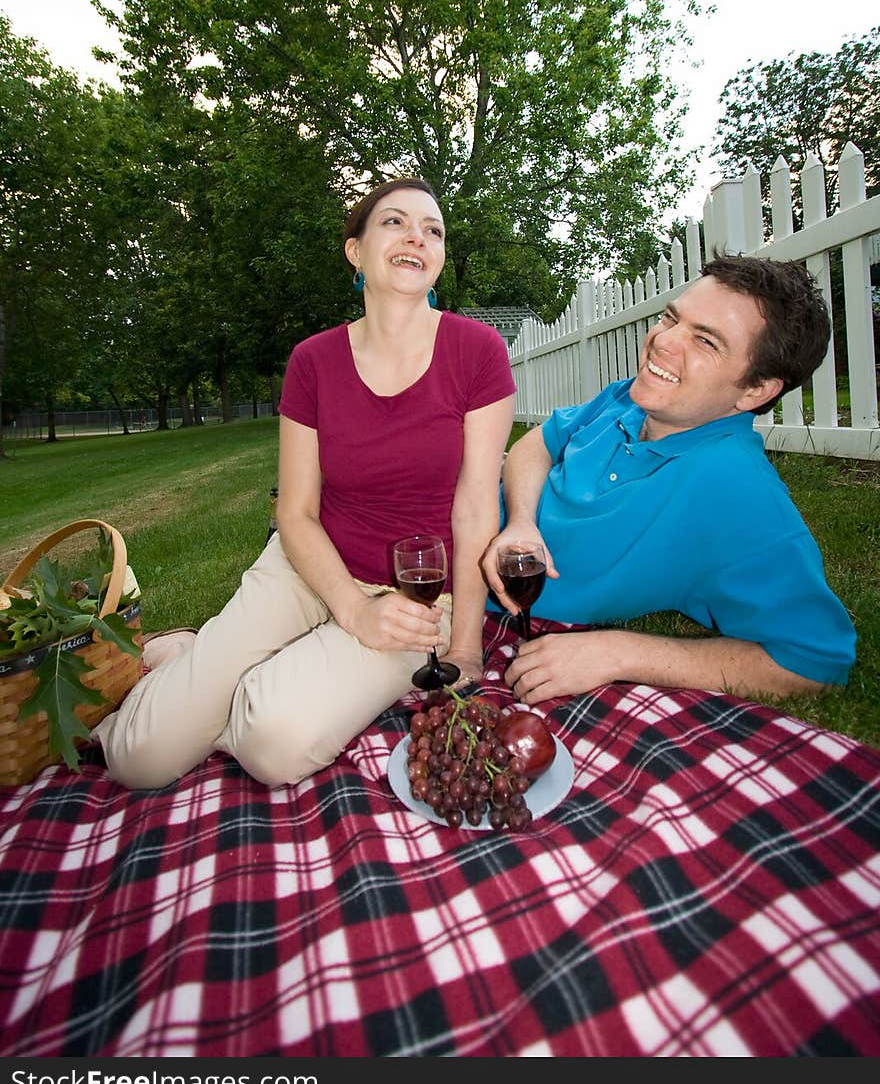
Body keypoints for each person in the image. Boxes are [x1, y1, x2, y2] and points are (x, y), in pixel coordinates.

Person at [95, 177, 516, 788]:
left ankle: (210, 675)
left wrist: (466, 647)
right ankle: (197, 661)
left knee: (275, 746)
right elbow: (295, 512)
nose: (416, 238)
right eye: (395, 222)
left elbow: (478, 505)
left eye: (433, 230)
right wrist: (350, 611)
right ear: (356, 250)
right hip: (306, 566)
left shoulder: (477, 351)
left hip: (416, 598)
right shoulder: (313, 361)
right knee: (139, 760)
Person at [481, 254, 856, 706]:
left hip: (456, 585)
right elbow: (537, 444)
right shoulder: (626, 399)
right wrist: (520, 521)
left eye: (705, 341)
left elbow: (815, 660)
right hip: (462, 516)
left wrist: (620, 651)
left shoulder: (735, 491)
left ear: (756, 390)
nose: (662, 341)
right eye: (671, 318)